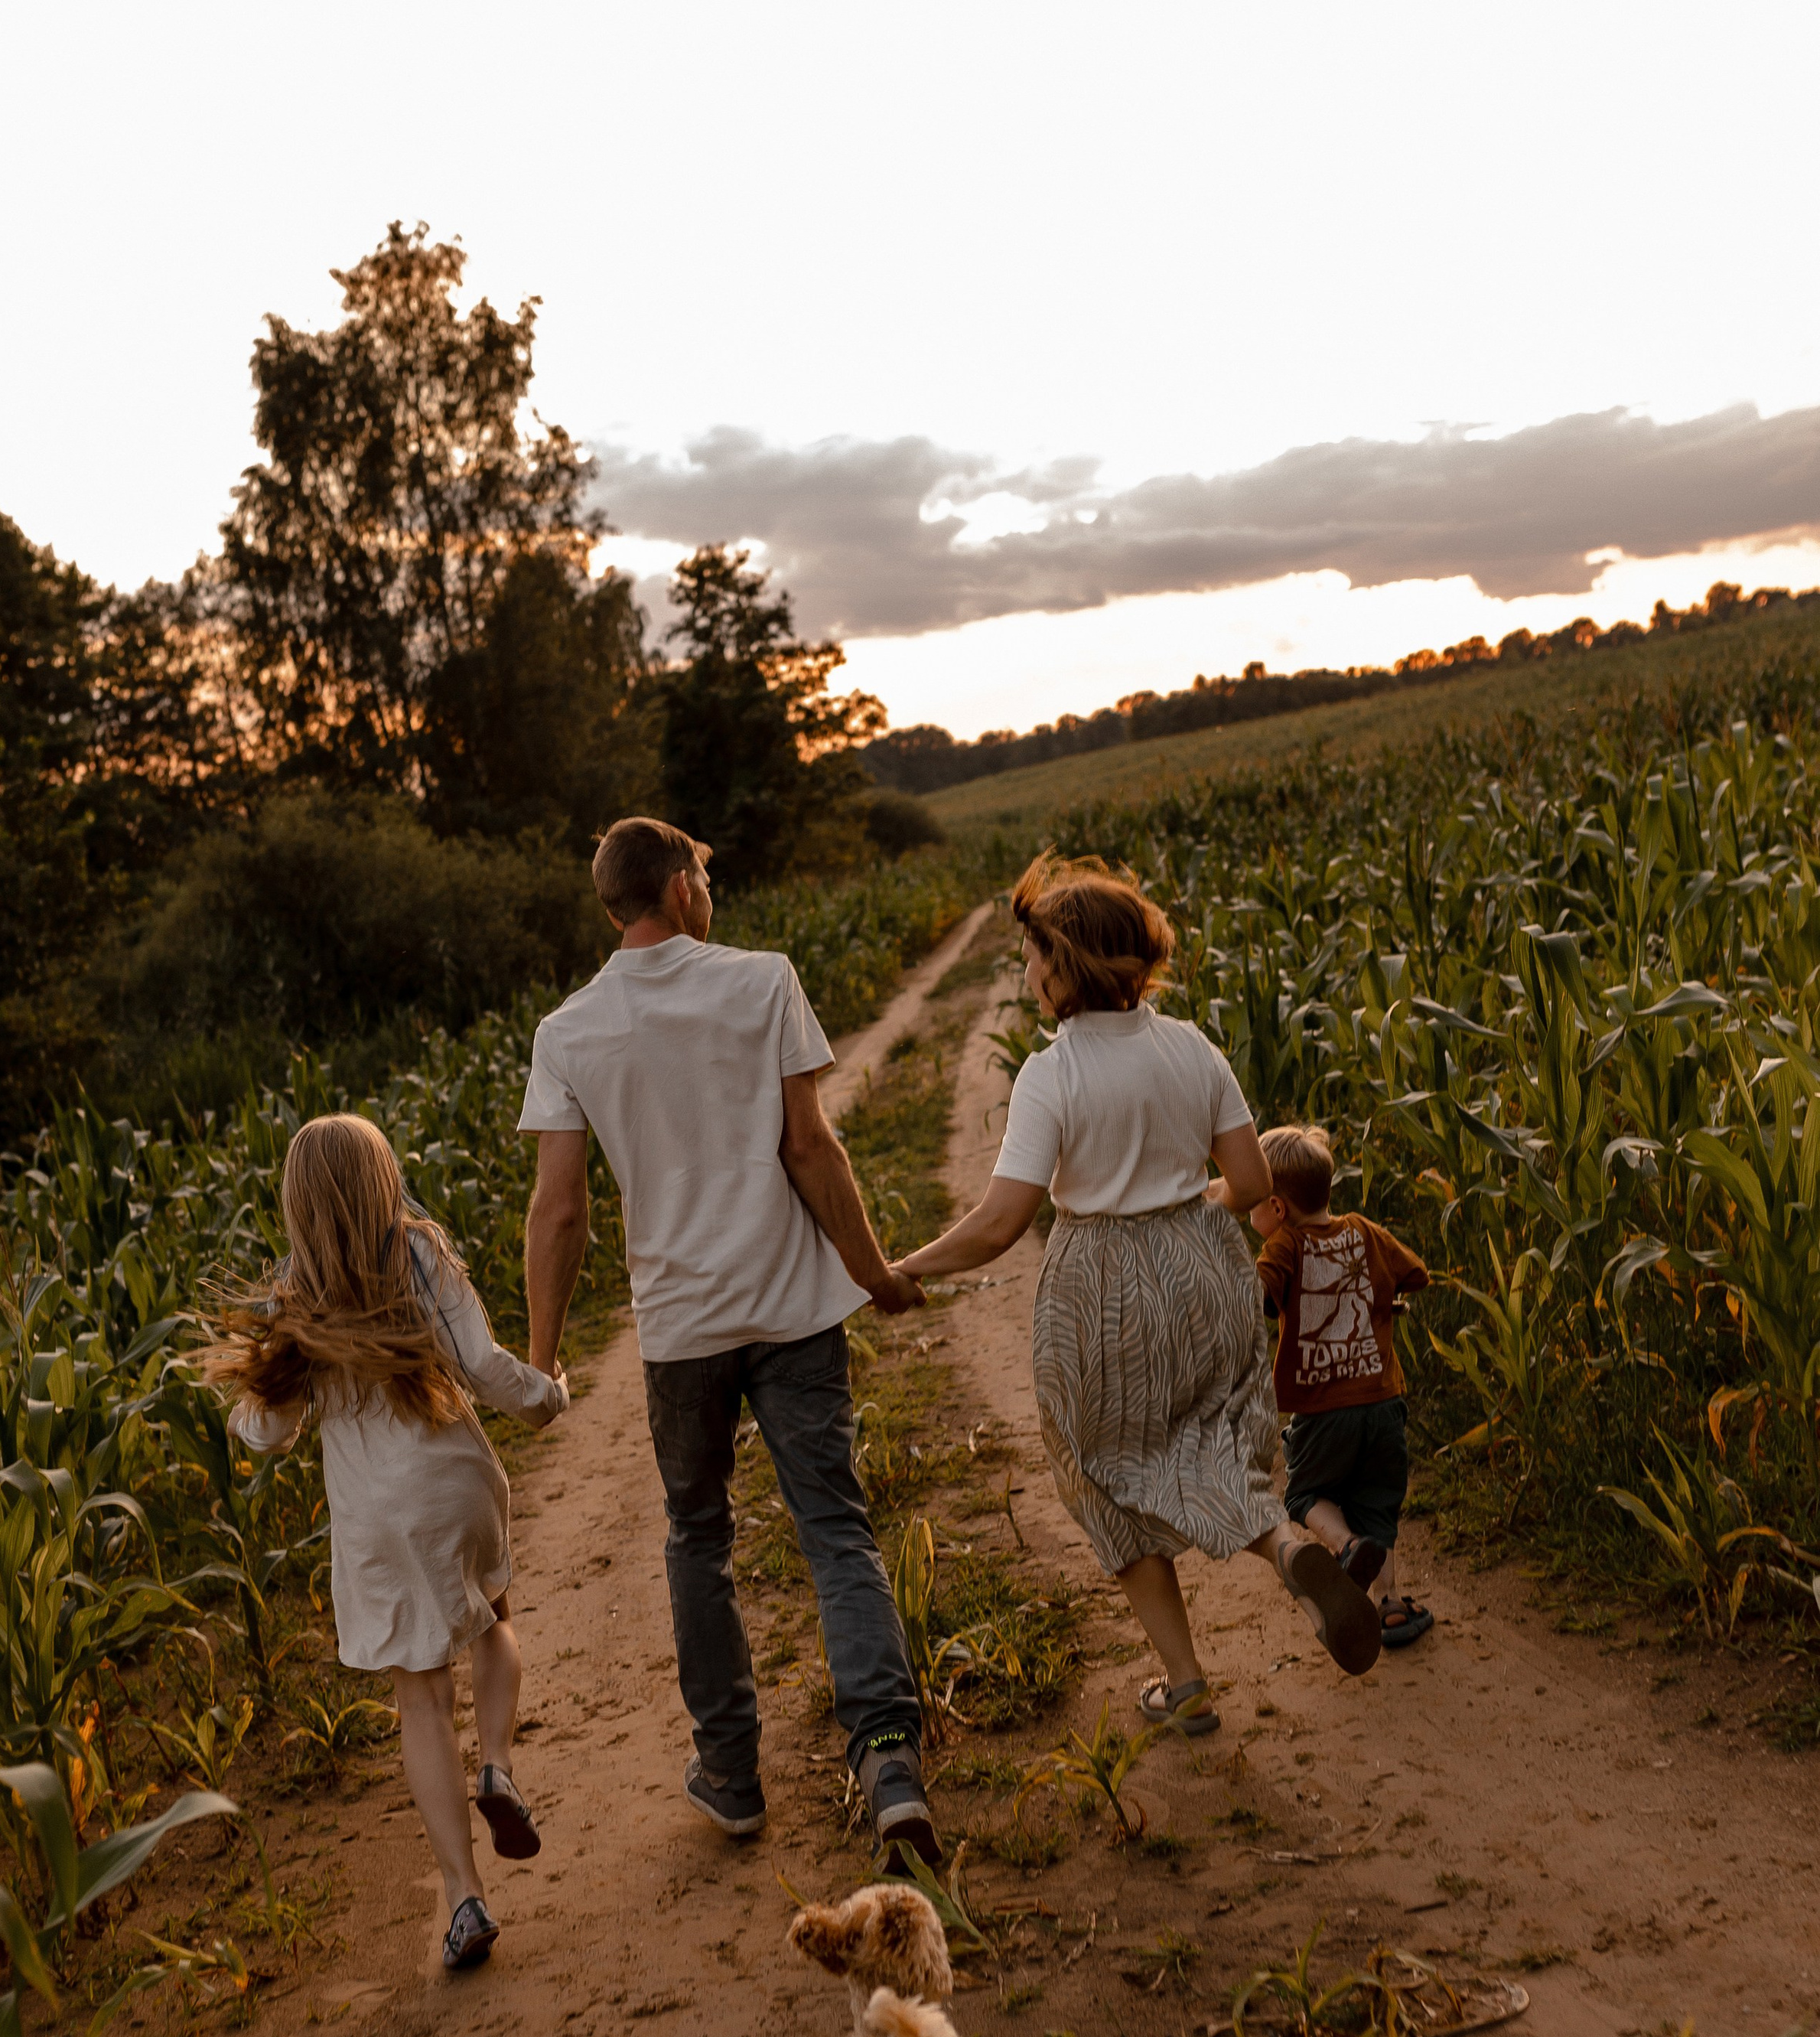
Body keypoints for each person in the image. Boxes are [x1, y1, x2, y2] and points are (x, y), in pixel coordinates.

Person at [517, 816, 942, 1861]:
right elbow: (810, 1144)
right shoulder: (762, 982)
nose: (711, 887)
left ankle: (733, 1774)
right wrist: (872, 1269)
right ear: (676, 887)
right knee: (834, 1528)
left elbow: (558, 1209)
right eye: (704, 871)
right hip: (793, 1311)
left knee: (697, 1540)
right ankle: (887, 1760)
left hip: (681, 1331)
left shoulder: (569, 1031)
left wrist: (543, 1353)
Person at [894, 854, 1381, 1737]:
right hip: (1204, 1264)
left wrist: (908, 1267)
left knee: (1103, 1471)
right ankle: (1286, 1544)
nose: (1027, 974)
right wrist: (1184, 1212)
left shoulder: (1051, 1074)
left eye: (1035, 956)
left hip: (1100, 1282)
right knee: (1213, 1435)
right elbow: (1245, 1176)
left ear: (1066, 964)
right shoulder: (1190, 1044)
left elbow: (1003, 1220)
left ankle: (1186, 1681)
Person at [204, 1113, 568, 1975]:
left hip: (375, 1521)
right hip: (457, 1486)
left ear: (296, 1202)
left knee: (419, 1698)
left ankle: (464, 1897)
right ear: (384, 1179)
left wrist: (244, 1402)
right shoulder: (420, 1254)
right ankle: (503, 1766)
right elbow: (482, 1365)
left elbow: (266, 1434)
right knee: (493, 1622)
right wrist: (548, 1396)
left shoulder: (295, 1299)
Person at [1251, 1123, 1433, 1648]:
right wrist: (1379, 1294)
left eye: (1254, 1205)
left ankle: (1345, 1545)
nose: (1251, 1215)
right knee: (1377, 1501)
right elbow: (1415, 1273)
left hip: (1323, 1409)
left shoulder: (1282, 1246)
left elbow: (1258, 1300)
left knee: (1307, 1492)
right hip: (1382, 1402)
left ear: (1278, 1208)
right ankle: (1391, 1606)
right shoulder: (1365, 1231)